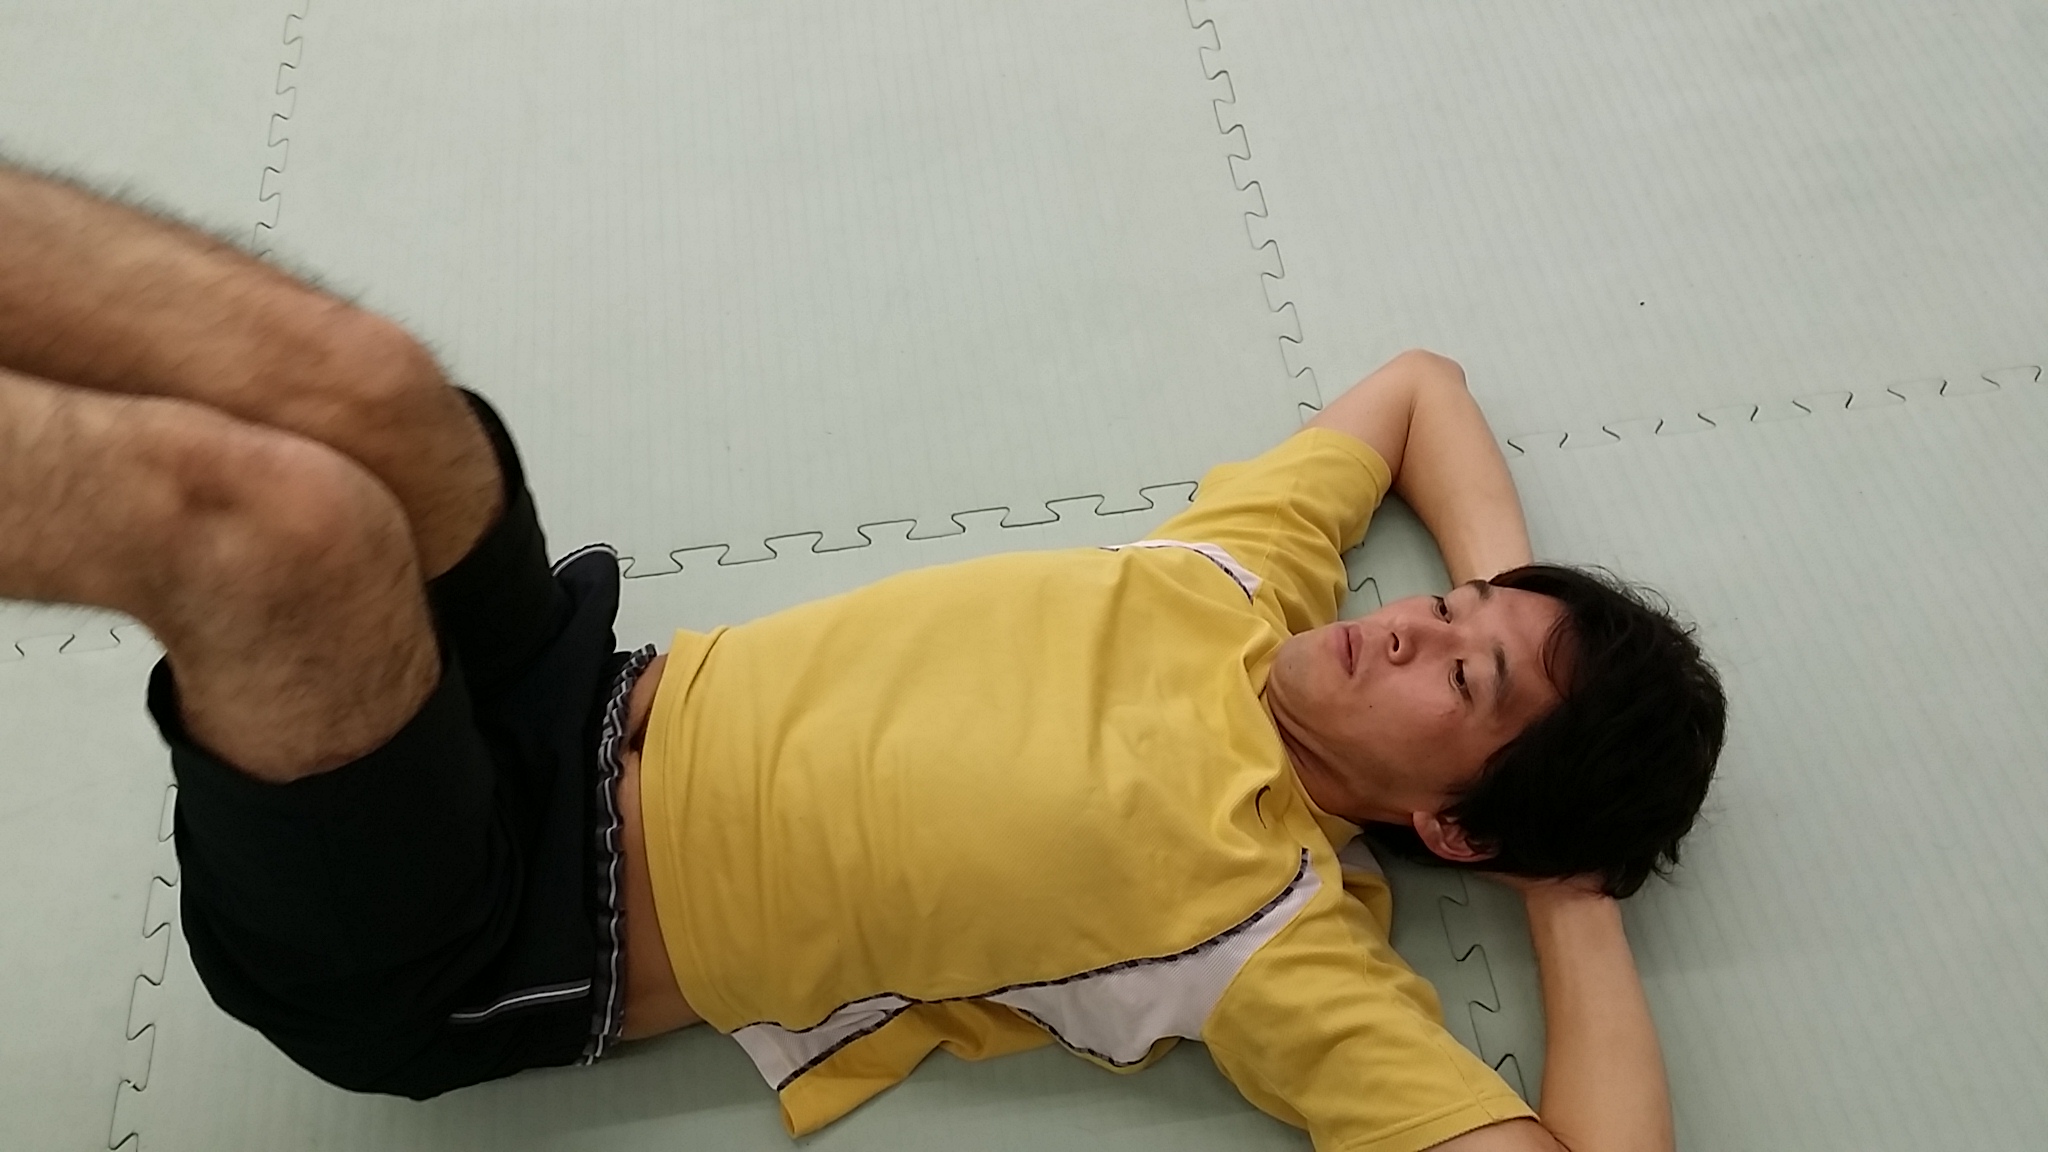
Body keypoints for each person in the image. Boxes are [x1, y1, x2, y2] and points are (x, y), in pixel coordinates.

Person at [0, 161, 1724, 1152]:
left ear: (1453, 827)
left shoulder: (1273, 942)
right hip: (571, 692)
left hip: (486, 930)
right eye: (1457, 610)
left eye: (1463, 680)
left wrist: (1565, 887)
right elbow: (1421, 388)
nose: (1415, 620)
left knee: (287, 532)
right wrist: (1512, 627)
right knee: (377, 389)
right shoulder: (1244, 577)